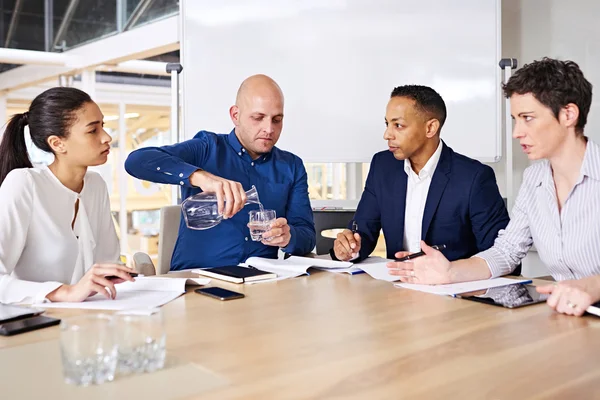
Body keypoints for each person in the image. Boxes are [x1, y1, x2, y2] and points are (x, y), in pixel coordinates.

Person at [389, 58, 600, 317]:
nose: (517, 132)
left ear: (568, 114)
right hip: (570, 318)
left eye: (527, 118)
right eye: (515, 119)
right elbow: (507, 251)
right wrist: (450, 272)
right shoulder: (535, 179)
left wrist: (593, 286)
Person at [125, 74, 316, 270]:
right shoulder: (207, 148)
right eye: (258, 118)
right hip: (198, 281)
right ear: (235, 115)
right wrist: (199, 177)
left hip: (261, 282)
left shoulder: (292, 167)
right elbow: (136, 161)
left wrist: (288, 236)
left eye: (277, 120)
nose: (269, 129)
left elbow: (307, 237)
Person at [333, 85, 509, 265]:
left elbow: (502, 256)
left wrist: (452, 272)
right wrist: (349, 249)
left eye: (398, 125)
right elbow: (363, 233)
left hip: (450, 288)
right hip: (396, 286)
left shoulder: (474, 177)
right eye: (387, 124)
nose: (387, 134)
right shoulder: (383, 166)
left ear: (430, 128)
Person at [0, 87, 136, 305]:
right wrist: (63, 292)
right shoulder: (24, 183)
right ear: (57, 143)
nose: (107, 137)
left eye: (103, 126)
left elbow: (107, 263)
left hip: (87, 319)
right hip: (33, 324)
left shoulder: (96, 185)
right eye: (93, 131)